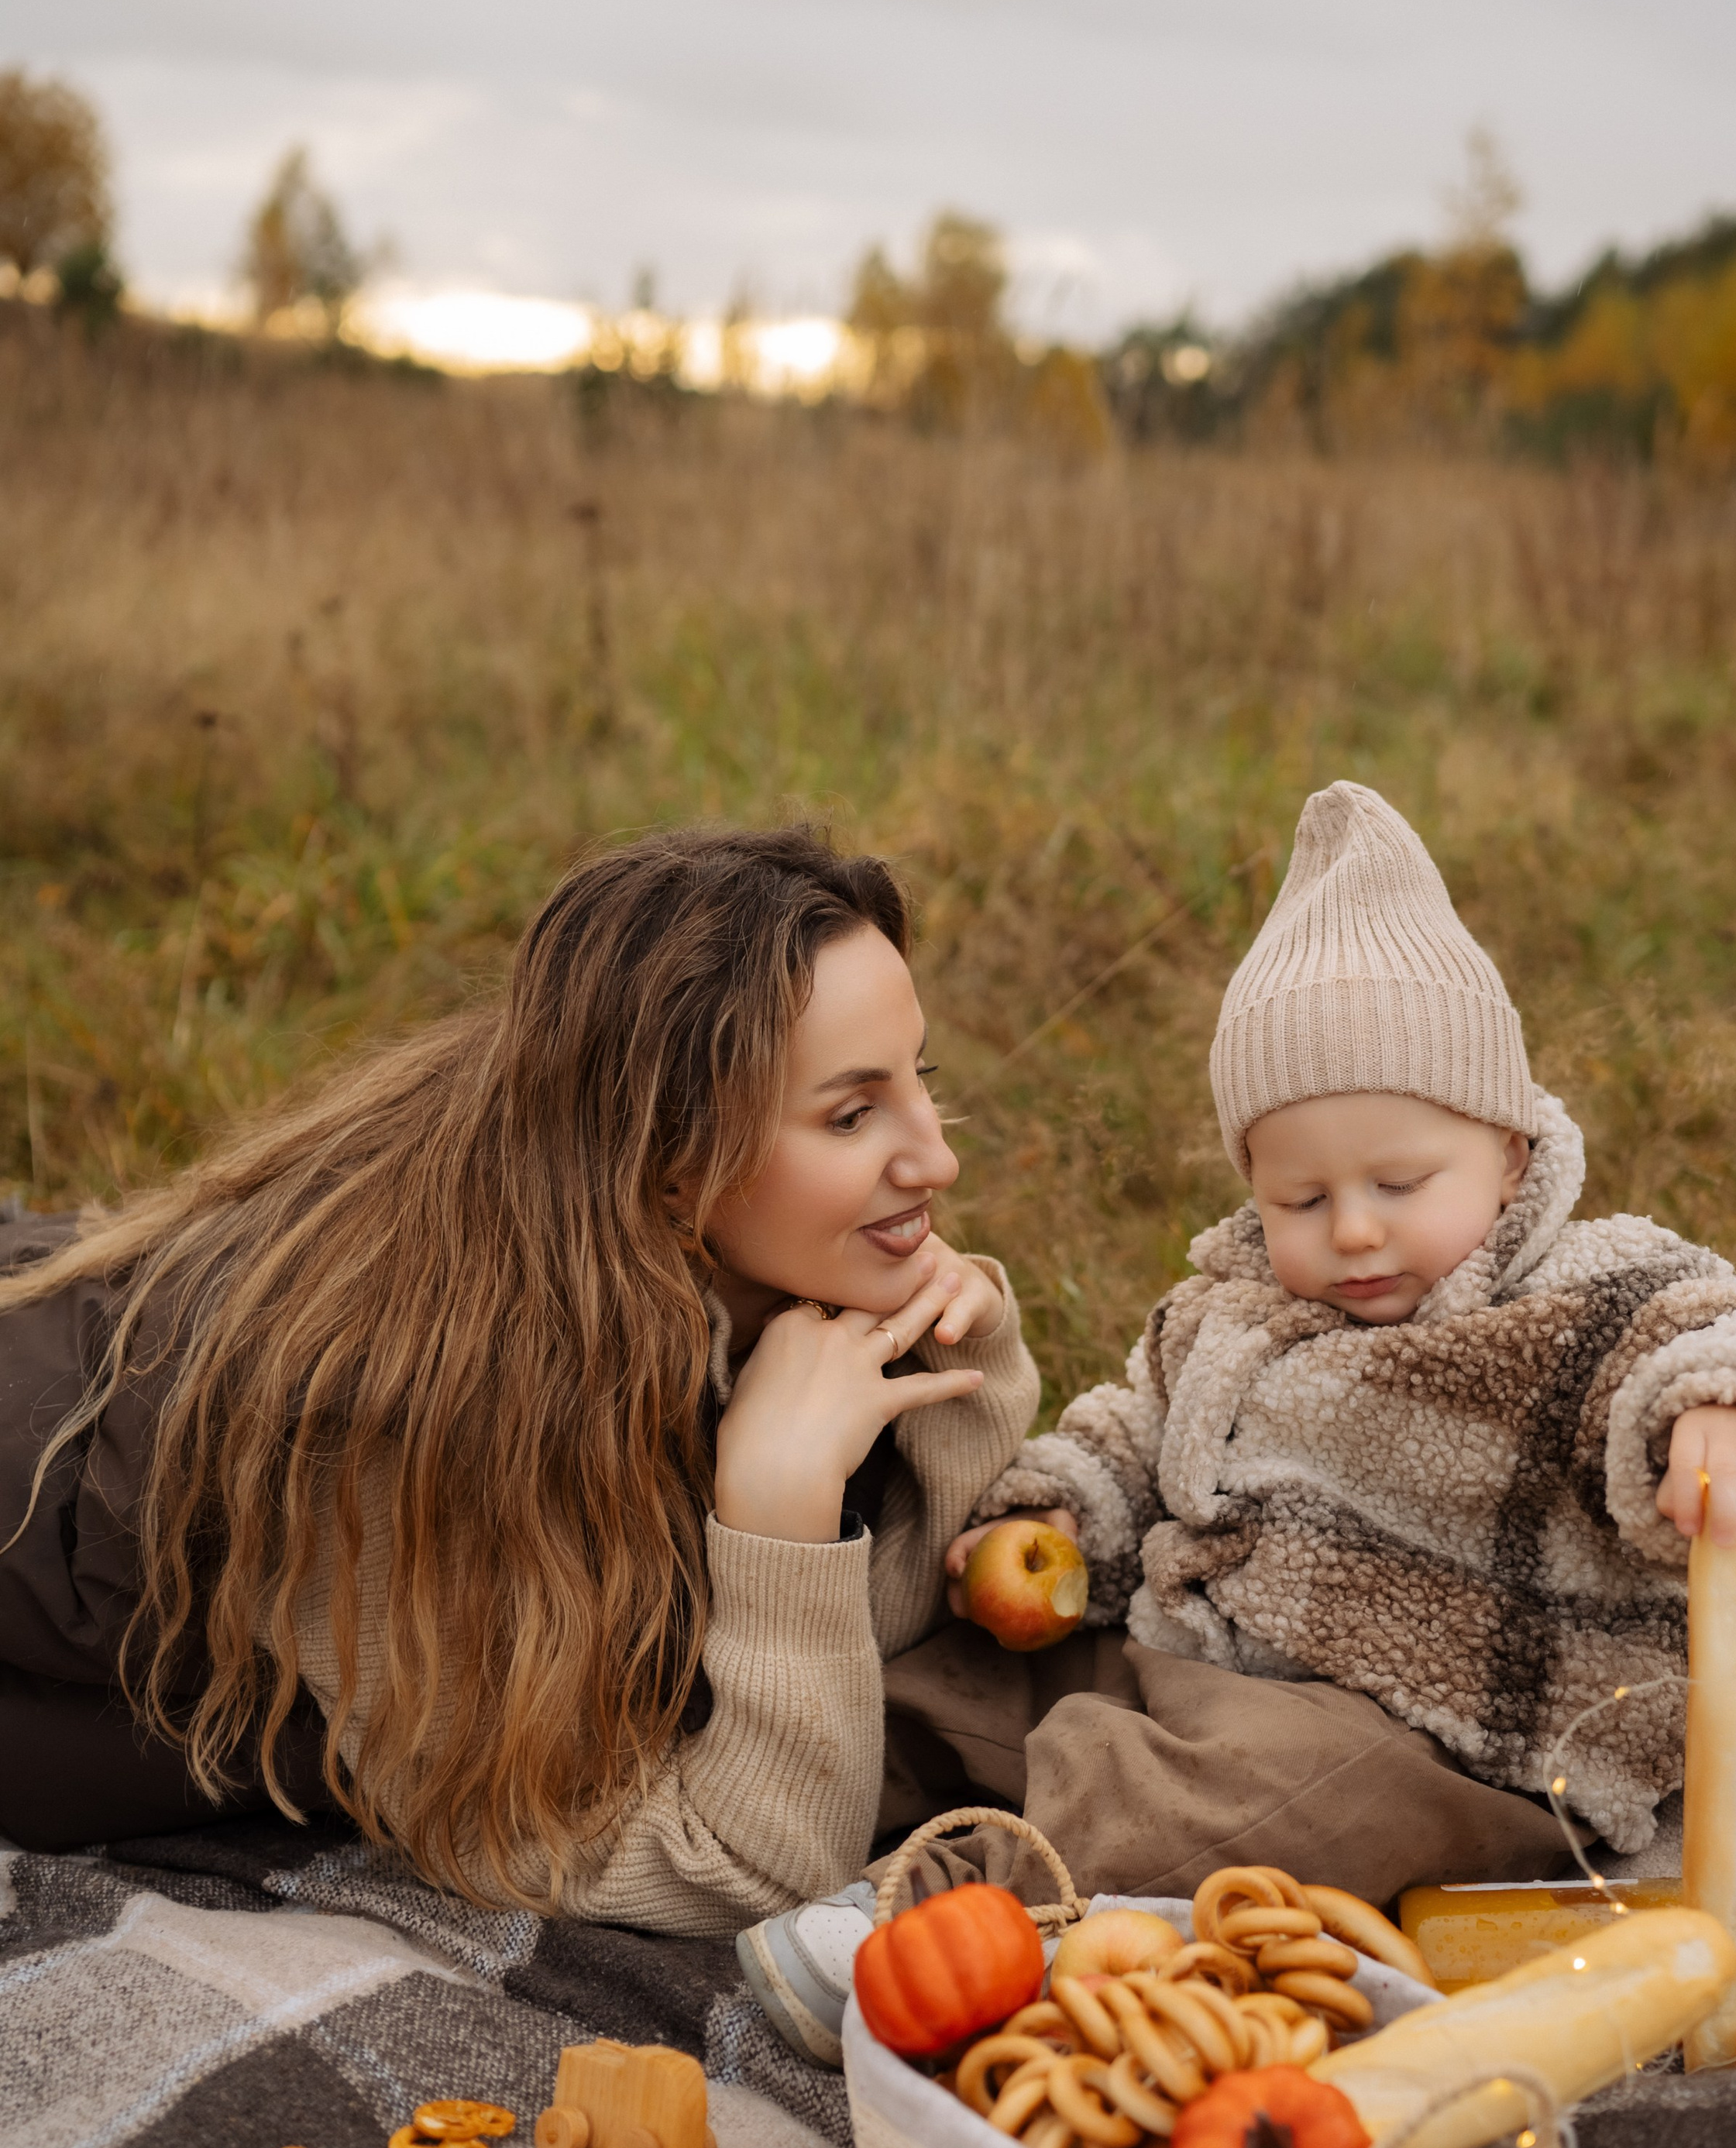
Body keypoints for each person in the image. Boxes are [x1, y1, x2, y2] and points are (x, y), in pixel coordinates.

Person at [737, 783, 1736, 2064]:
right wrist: (1057, 1510)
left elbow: (1730, 1335)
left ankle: (943, 1925)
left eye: (1401, 1183)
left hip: (1446, 1732)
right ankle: (823, 1829)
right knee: (947, 1688)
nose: (1352, 1231)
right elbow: (1134, 1426)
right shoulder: (1230, 1307)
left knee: (1234, 1804)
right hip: (1199, 1655)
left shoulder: (1582, 1299)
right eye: (1301, 1197)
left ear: (1510, 1154)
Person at [0, 826, 1040, 1936]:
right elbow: (751, 1867)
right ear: (668, 1160)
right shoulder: (401, 1423)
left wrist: (956, 1345)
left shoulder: (633, 1225)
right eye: (851, 1115)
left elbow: (876, 1634)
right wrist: (780, 1514)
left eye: (920, 1079)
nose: (939, 1159)